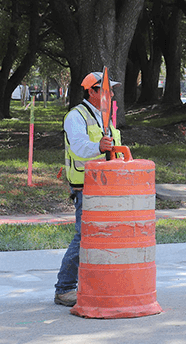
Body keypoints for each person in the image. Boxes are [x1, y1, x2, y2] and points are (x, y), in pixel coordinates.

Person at [55, 71, 122, 307]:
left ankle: (93, 284)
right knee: (83, 236)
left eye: (111, 90)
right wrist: (98, 146)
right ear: (91, 92)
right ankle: (64, 288)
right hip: (86, 186)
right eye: (106, 90)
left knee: (102, 236)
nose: (111, 94)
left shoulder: (104, 117)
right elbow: (80, 148)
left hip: (105, 185)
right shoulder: (76, 116)